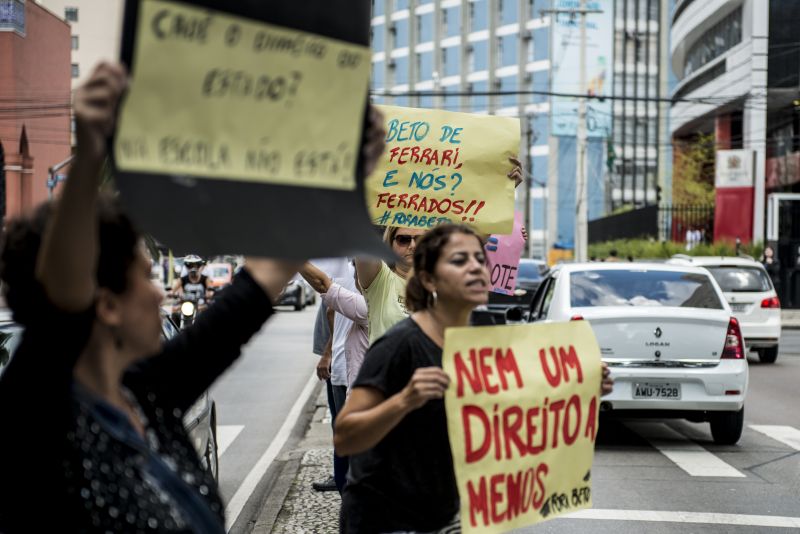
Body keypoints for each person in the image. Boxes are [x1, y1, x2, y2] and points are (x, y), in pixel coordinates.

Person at [0, 62, 386, 532]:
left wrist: (337, 178)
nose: (161, 291)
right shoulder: (38, 416)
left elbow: (259, 281)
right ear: (104, 304)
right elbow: (60, 301)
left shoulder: (147, 394)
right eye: (145, 277)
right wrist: (90, 159)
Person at [335, 224, 614, 533]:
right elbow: (346, 436)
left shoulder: (475, 351)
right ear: (428, 279)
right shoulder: (400, 345)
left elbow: (508, 418)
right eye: (459, 261)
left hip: (442, 517)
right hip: (386, 519)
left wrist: (581, 387)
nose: (475, 268)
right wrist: (404, 400)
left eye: (480, 259)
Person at [356, 157, 525, 345]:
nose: (412, 245)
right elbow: (362, 241)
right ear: (390, 243)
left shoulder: (442, 282)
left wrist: (505, 190)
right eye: (403, 240)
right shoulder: (380, 281)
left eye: (420, 239)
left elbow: (475, 239)